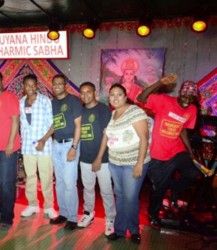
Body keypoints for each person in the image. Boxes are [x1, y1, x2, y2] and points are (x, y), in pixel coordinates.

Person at [137, 74, 199, 230]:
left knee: (192, 173)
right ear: (179, 93)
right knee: (158, 190)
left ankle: (172, 190)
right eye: (185, 95)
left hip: (177, 151)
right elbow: (142, 97)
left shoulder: (192, 109)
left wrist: (189, 151)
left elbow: (183, 129)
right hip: (158, 155)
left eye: (191, 97)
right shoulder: (165, 101)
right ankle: (153, 214)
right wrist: (160, 83)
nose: (187, 99)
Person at [94, 84, 150, 244]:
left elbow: (144, 138)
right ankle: (119, 229)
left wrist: (139, 163)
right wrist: (99, 157)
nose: (115, 98)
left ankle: (133, 230)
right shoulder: (113, 115)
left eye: (119, 94)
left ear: (125, 97)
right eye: (112, 95)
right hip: (115, 162)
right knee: (119, 195)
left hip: (133, 162)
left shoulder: (135, 112)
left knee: (130, 197)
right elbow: (107, 136)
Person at [78, 82, 116, 236]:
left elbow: (107, 135)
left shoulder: (103, 110)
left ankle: (110, 219)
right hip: (85, 158)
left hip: (102, 159)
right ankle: (88, 213)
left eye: (88, 92)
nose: (85, 95)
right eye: (82, 92)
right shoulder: (80, 110)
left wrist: (99, 158)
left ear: (94, 93)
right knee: (88, 189)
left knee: (106, 191)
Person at [19, 74, 58, 219]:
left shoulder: (45, 101)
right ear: (23, 86)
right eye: (27, 85)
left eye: (33, 85)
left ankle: (49, 206)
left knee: (46, 177)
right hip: (28, 146)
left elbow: (54, 123)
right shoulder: (21, 102)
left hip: (44, 146)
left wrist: (43, 140)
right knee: (30, 176)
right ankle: (32, 205)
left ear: (37, 85)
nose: (30, 88)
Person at [0, 70, 21, 231]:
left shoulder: (10, 97)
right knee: (1, 182)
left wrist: (10, 143)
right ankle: (2, 206)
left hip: (8, 149)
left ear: (2, 81)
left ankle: (7, 217)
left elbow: (15, 121)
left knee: (8, 184)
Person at [49, 74, 82, 231]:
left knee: (70, 183)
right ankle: (63, 213)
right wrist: (44, 139)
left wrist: (74, 147)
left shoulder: (73, 101)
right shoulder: (53, 102)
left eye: (60, 84)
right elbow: (55, 125)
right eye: (54, 84)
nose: (56, 86)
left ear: (65, 85)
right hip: (56, 145)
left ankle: (72, 218)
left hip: (70, 144)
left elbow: (78, 125)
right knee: (60, 182)